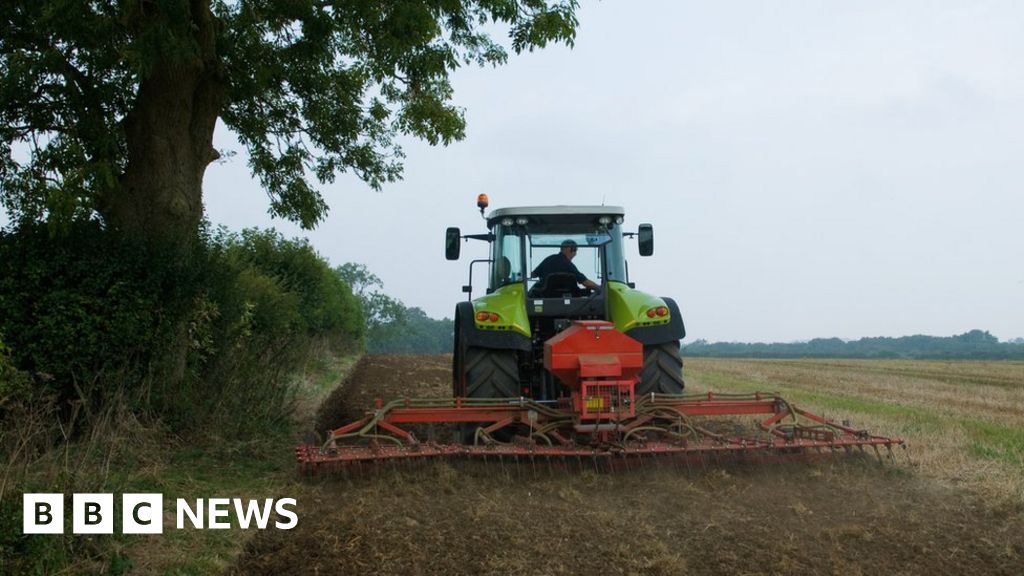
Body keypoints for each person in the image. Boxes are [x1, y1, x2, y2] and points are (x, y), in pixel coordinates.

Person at [531, 239, 599, 294]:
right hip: (570, 300)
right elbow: (586, 283)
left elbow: (533, 274)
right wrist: (600, 288)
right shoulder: (569, 265)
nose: (575, 254)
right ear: (569, 249)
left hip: (546, 297)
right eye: (575, 250)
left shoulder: (548, 259)